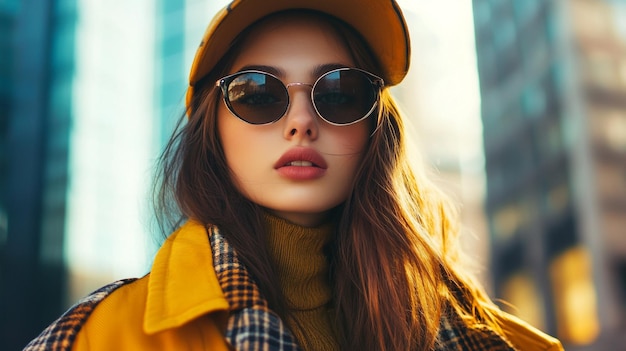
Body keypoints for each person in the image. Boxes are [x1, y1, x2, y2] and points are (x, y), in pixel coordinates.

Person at [25, 0, 564, 350]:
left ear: (375, 126)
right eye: (258, 94)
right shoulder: (97, 337)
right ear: (213, 129)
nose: (301, 122)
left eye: (338, 92)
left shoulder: (509, 344)